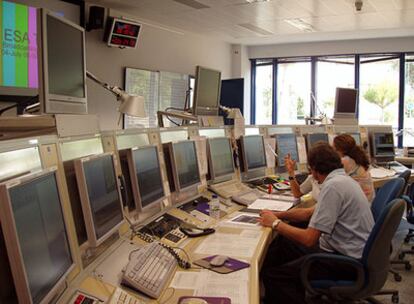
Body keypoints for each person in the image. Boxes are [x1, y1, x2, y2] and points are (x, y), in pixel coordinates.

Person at [259, 142, 374, 304]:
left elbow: (309, 239)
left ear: (315, 170)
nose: (312, 176)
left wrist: (276, 224)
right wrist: (277, 215)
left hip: (346, 263)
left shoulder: (333, 187)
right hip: (349, 253)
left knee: (277, 276)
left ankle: (279, 288)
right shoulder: (343, 180)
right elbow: (308, 213)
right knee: (282, 244)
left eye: (311, 171)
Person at [333, 134, 375, 202]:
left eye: (334, 148)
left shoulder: (345, 161)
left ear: (340, 150)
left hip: (359, 204)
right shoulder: (356, 158)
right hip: (367, 201)